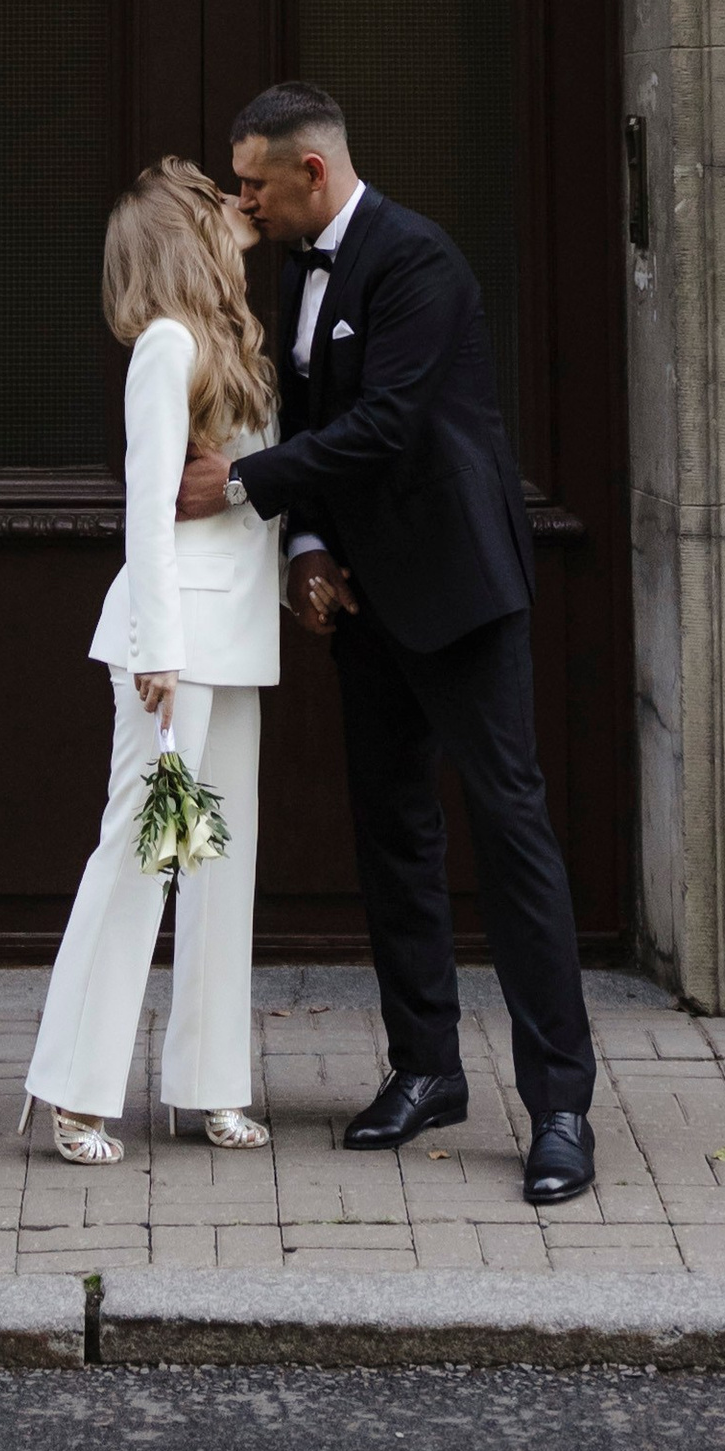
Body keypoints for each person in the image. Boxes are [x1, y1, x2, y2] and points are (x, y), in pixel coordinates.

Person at [180, 81, 598, 1206]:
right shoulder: (297, 266)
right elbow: (318, 426)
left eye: (256, 183)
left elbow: (392, 423)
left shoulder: (417, 260)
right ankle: (426, 1071)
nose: (244, 202)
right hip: (364, 597)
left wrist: (244, 487)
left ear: (311, 172)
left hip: (459, 587)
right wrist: (308, 548)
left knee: (509, 833)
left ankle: (560, 1105)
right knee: (393, 834)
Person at [21, 158, 283, 1164]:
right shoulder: (166, 349)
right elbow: (146, 513)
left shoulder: (232, 345)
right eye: (215, 195)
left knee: (225, 872)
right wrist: (156, 654)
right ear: (184, 232)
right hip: (173, 647)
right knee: (139, 860)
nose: (236, 201)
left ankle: (209, 1086)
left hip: (240, 640)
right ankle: (75, 1092)